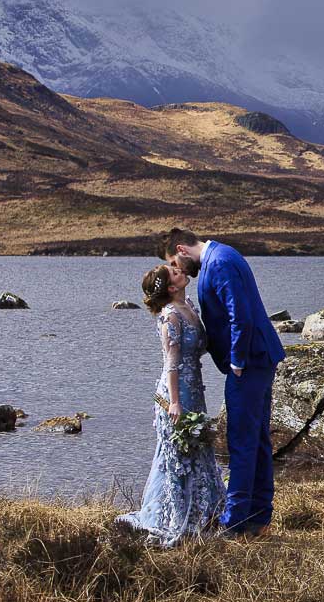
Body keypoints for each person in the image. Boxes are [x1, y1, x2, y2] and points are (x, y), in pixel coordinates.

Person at [159, 227, 286, 537]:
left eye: (174, 262)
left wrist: (237, 361)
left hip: (250, 361)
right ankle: (258, 517)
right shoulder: (220, 256)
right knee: (257, 439)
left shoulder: (219, 262)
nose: (177, 268)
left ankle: (235, 523)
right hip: (257, 358)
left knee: (241, 440)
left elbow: (239, 314)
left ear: (181, 249)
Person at [116, 261, 226, 546]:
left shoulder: (188, 305)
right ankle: (176, 518)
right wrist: (174, 403)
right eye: (175, 273)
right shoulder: (171, 317)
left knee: (198, 450)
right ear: (171, 287)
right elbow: (171, 365)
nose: (181, 271)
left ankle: (206, 513)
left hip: (195, 388)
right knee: (178, 456)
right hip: (175, 393)